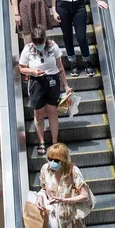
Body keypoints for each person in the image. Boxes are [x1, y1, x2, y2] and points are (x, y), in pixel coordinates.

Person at [19, 27, 70, 155]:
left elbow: (60, 66)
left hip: (52, 81)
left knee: (52, 112)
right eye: (37, 44)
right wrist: (32, 71)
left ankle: (54, 141)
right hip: (37, 82)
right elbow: (22, 68)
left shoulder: (53, 46)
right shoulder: (28, 50)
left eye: (41, 43)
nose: (39, 46)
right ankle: (41, 141)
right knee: (39, 113)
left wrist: (66, 85)